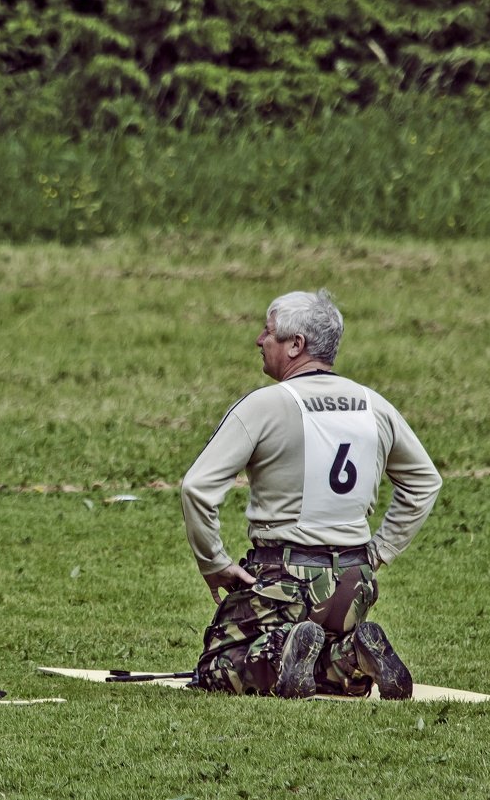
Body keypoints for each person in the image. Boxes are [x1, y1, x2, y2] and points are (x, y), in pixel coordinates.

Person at [181, 289, 442, 699]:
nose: (259, 340)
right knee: (321, 668)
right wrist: (380, 550)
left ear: (296, 345)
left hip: (284, 581)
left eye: (268, 332)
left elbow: (197, 488)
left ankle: (284, 647)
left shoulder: (265, 405)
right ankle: (352, 655)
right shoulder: (374, 405)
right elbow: (425, 481)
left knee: (216, 668)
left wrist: (213, 562)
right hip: (354, 583)